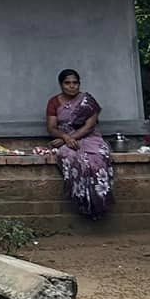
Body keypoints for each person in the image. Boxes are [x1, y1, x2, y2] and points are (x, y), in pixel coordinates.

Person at [45, 69, 113, 218]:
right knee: (71, 158)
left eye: (75, 83)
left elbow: (89, 126)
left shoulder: (88, 101)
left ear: (79, 84)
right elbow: (51, 127)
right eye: (67, 83)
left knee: (98, 159)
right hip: (66, 139)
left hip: (90, 137)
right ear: (61, 84)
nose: (72, 86)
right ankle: (82, 202)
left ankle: (99, 203)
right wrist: (65, 137)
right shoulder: (54, 102)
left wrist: (68, 138)